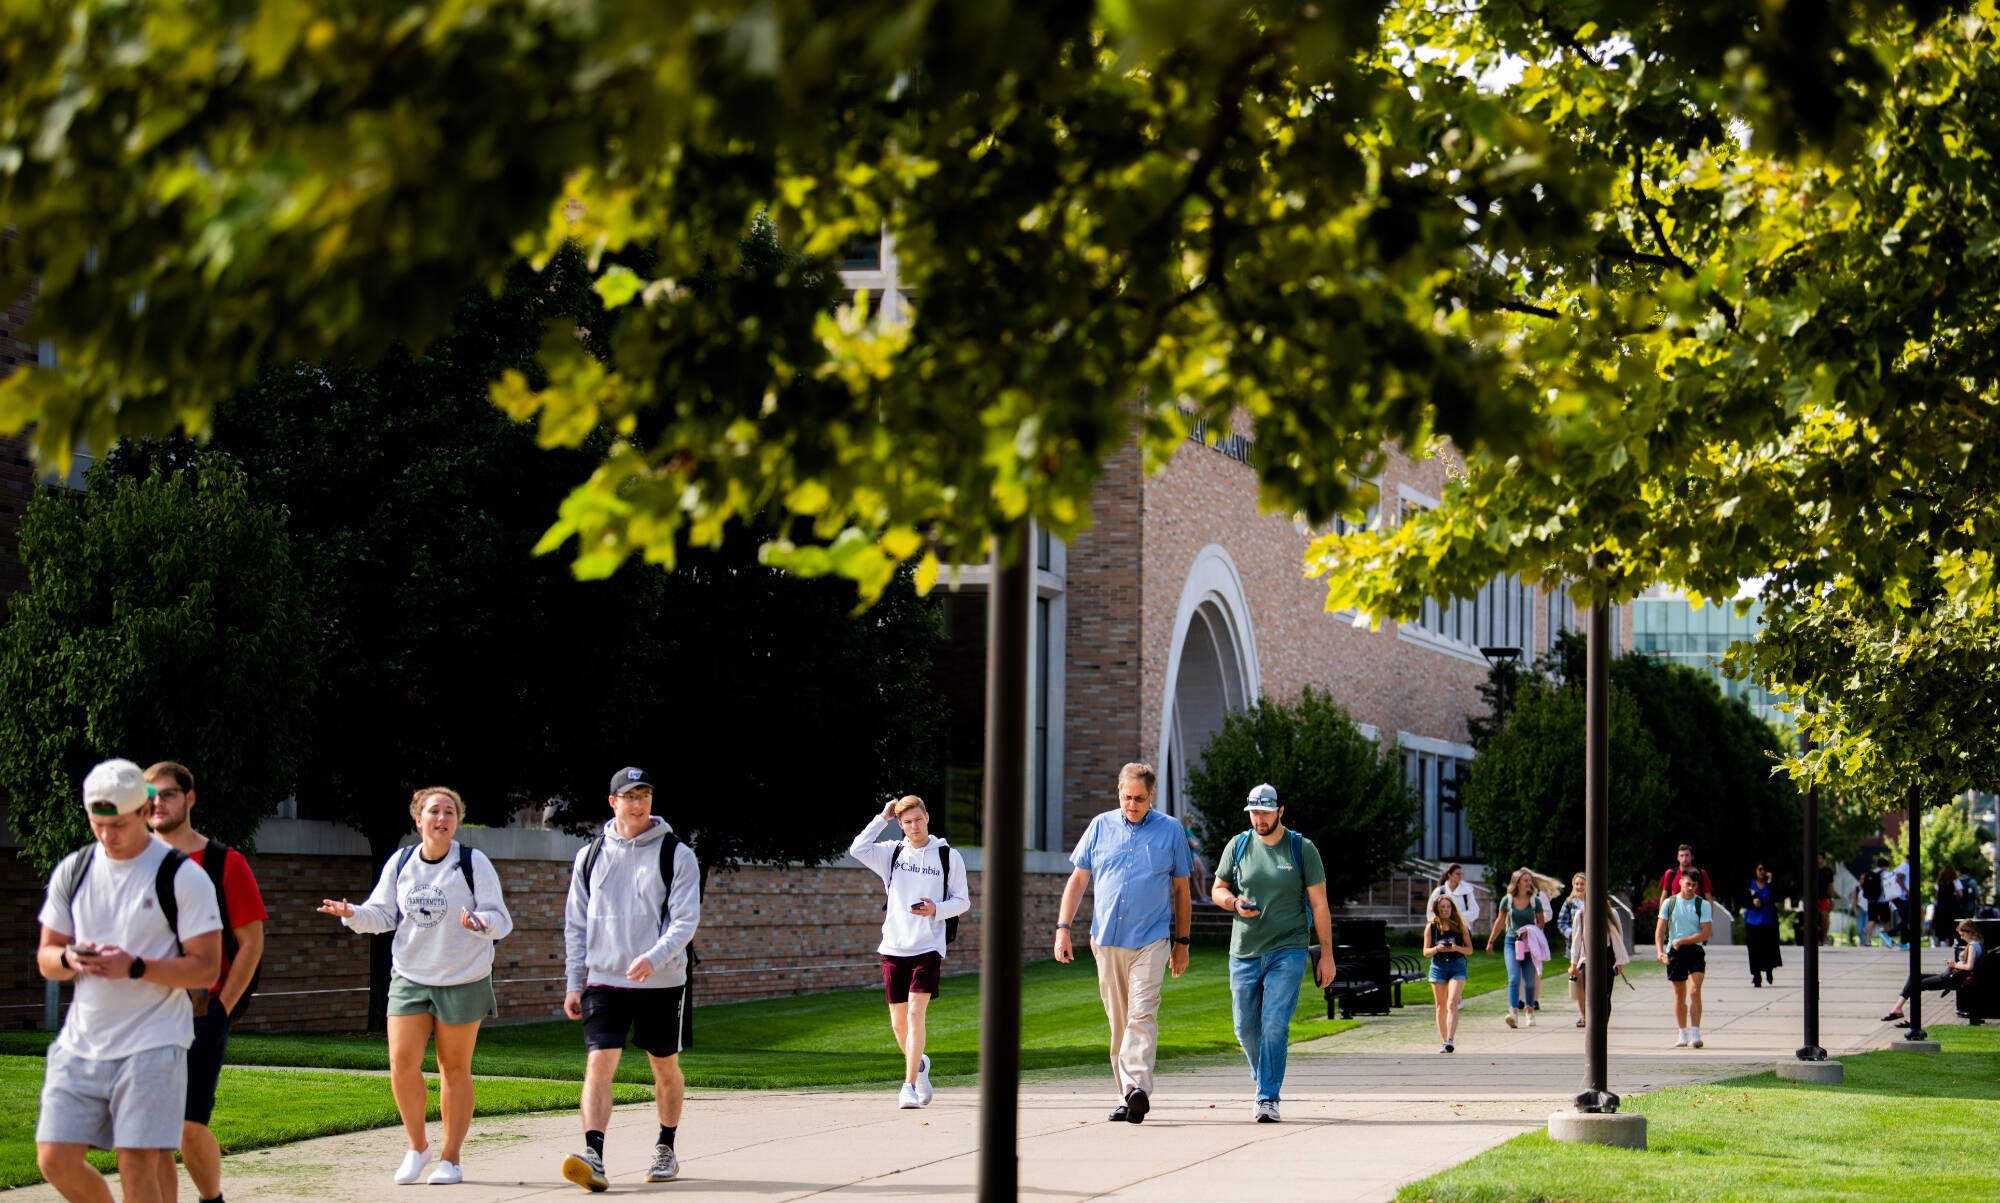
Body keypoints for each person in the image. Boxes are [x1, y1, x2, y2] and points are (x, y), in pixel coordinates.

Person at [36, 759, 223, 1203]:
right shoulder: (74, 869)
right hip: (81, 1042)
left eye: (117, 824)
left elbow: (207, 967)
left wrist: (135, 966)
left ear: (144, 811)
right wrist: (68, 958)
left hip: (153, 1042)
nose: (106, 836)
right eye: (97, 824)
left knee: (137, 1162)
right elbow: (47, 957)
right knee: (53, 1158)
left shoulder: (182, 875)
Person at [319, 787, 513, 1186]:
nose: (442, 818)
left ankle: (450, 1159)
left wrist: (481, 923)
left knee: (454, 1069)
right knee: (401, 1063)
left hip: (463, 977)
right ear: (418, 818)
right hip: (410, 976)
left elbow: (500, 918)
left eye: (449, 812)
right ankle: (417, 1147)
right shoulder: (402, 862)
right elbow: (383, 914)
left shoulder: (472, 862)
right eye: (433, 811)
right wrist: (351, 913)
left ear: (456, 820)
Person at [559, 767, 701, 1190]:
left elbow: (685, 920)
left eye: (644, 795)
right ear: (613, 802)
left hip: (661, 981)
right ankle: (594, 1156)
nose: (638, 803)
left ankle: (666, 1146)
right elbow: (575, 924)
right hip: (604, 979)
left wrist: (654, 958)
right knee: (599, 1063)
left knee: (664, 1066)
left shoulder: (677, 854)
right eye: (629, 796)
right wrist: (573, 980)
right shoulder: (590, 855)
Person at [144, 761, 267, 1203]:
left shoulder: (222, 863)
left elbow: (251, 942)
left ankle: (211, 1198)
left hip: (200, 1013)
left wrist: (222, 1008)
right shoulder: (127, 862)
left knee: (188, 1124)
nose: (158, 803)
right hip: (140, 1013)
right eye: (150, 795)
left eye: (169, 794)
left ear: (189, 798)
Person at [1054, 762, 1193, 1125]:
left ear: (1152, 797)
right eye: (1126, 797)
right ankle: (1126, 1095)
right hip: (1107, 940)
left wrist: (1183, 941)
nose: (1132, 804)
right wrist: (1062, 928)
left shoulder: (1171, 831)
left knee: (1142, 1013)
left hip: (1152, 938)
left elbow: (1181, 890)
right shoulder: (1100, 827)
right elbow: (1078, 881)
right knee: (1119, 1022)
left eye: (1139, 798)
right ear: (1119, 792)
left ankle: (1138, 1088)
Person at [1208, 783, 1336, 1122]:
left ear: (1280, 811)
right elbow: (1218, 889)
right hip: (1245, 950)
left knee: (1275, 1024)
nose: (1258, 818)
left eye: (1265, 811)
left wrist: (1327, 954)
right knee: (1245, 1029)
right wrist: (1234, 902)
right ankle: (1265, 1076)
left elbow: (1319, 905)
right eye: (1253, 812)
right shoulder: (1239, 845)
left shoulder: (1301, 848)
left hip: (1288, 949)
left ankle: (1268, 1097)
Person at [848, 795, 970, 1108]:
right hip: (893, 946)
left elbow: (962, 901)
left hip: (928, 946)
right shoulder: (891, 852)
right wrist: (882, 818)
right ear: (900, 824)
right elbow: (857, 849)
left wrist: (935, 908)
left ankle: (908, 1086)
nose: (913, 826)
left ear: (927, 817)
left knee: (916, 1014)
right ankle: (919, 1065)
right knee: (898, 1024)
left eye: (917, 819)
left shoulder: (947, 855)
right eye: (906, 822)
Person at [1881, 919, 1983, 1025]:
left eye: (1962, 935)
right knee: (1914, 977)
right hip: (1949, 975)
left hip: (1949, 978)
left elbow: (1969, 966)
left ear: (1970, 932)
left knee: (1916, 985)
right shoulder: (1977, 944)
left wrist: (1955, 965)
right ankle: (1897, 1009)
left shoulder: (1972, 946)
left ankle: (1913, 1019)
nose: (1961, 938)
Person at [1484, 868, 1550, 1027]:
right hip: (1511, 942)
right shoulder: (1507, 900)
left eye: (1529, 881)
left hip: (1529, 944)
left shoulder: (1536, 901)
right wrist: (1491, 941)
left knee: (1529, 981)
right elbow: (1500, 922)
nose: (1529, 883)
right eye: (1526, 880)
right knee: (1514, 978)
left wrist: (1531, 931)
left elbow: (1541, 923)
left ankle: (1530, 1012)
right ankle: (1513, 1013)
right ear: (1517, 883)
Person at [1655, 867, 1713, 1048]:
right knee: (1679, 993)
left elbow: (1705, 933)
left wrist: (1684, 940)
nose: (1690, 888)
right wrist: (1659, 951)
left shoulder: (1702, 905)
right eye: (1687, 884)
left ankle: (1696, 1033)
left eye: (1694, 885)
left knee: (1695, 990)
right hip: (1675, 952)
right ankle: (1682, 1033)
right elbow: (1660, 930)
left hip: (1695, 950)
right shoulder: (1669, 903)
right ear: (1680, 882)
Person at [1565, 878, 1629, 1027]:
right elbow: (1576, 941)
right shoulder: (1581, 915)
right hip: (1587, 958)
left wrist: (1619, 961)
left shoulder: (1612, 914)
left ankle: (1602, 1025)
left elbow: (1618, 939)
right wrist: (1573, 963)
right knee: (1592, 995)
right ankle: (1594, 1024)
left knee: (1606, 995)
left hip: (1607, 957)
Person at [1421, 895, 1471, 1052]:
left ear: (1452, 908)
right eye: (1442, 907)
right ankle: (1444, 1042)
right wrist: (1437, 948)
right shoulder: (1431, 927)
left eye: (1448, 906)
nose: (1445, 909)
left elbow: (1469, 950)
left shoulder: (1460, 927)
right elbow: (1425, 952)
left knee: (1452, 1002)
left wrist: (1456, 948)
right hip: (1438, 967)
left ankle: (1450, 1038)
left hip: (1457, 965)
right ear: (1437, 909)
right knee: (1440, 1006)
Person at [1743, 863, 1781, 987]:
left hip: (1768, 920)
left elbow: (1775, 898)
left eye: (1764, 869)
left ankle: (1769, 970)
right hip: (1753, 921)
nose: (1762, 872)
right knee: (1754, 949)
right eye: (1760, 869)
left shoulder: (1770, 886)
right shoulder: (1750, 884)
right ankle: (1756, 975)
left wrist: (1770, 882)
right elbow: (1743, 900)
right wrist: (1752, 902)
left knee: (1768, 947)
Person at [1428, 863, 1481, 928]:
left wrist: (1457, 917)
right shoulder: (1439, 892)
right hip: (1443, 931)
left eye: (1461, 874)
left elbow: (1475, 911)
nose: (1460, 876)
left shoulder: (1467, 891)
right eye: (1457, 874)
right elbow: (1431, 913)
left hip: (1462, 930)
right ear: (1449, 875)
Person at [1862, 857, 1891, 946]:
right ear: (1886, 866)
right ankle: (1889, 939)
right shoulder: (1886, 873)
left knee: (1871, 920)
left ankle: (1867, 940)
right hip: (1882, 901)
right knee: (1885, 921)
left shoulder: (1871, 873)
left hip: (1871, 901)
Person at [1883, 854, 1911, 947]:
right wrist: (1906, 890)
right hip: (1901, 897)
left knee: (1905, 919)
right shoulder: (1905, 866)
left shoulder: (1904, 866)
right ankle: (1888, 934)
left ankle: (1904, 943)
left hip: (1900, 897)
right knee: (1906, 920)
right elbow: (1899, 878)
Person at [1932, 866, 1962, 948]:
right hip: (1951, 907)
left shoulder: (1940, 882)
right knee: (1950, 925)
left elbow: (1936, 894)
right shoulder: (1955, 881)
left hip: (1941, 907)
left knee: (1941, 924)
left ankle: (1938, 942)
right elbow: (1960, 894)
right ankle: (1949, 942)